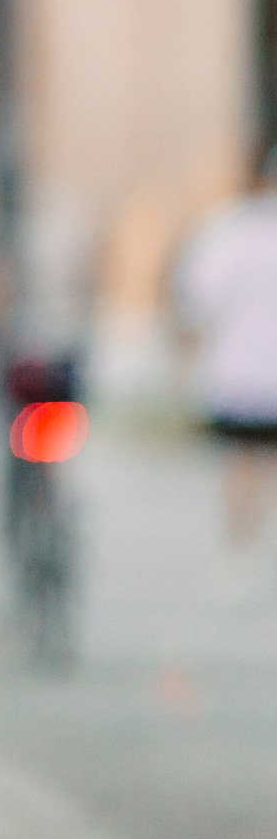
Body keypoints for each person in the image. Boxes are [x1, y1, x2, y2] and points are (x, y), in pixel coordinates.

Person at [174, 154, 277, 594]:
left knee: (238, 467)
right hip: (258, 373)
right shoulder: (231, 229)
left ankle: (242, 552)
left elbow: (195, 301)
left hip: (237, 376)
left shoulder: (229, 230)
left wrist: (182, 366)